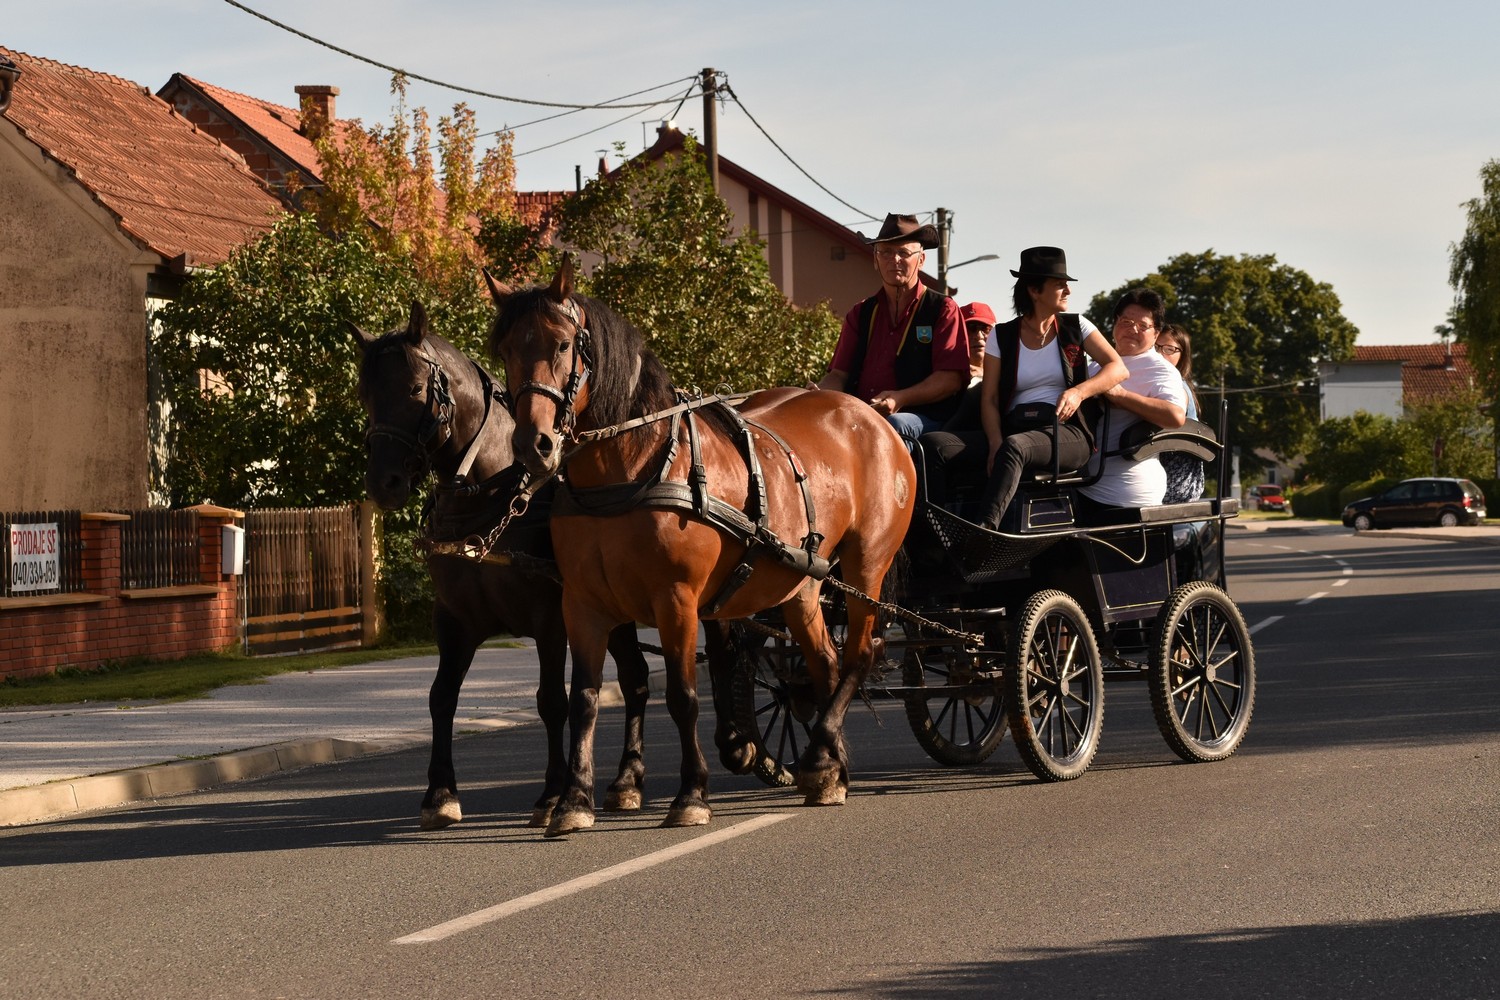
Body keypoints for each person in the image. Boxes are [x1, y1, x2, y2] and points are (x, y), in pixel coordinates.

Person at [971, 247, 1126, 530]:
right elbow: (990, 398)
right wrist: (994, 442)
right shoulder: (1002, 335)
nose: (1068, 290)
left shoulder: (1076, 326)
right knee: (934, 446)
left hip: (1068, 432)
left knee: (1014, 448)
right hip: (1014, 427)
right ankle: (930, 540)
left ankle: (984, 531)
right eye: (1059, 284)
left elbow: (1118, 368)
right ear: (1034, 290)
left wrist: (1079, 392)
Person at [814, 213, 970, 451]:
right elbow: (838, 375)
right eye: (885, 252)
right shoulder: (861, 312)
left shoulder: (942, 309)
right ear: (875, 260)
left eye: (903, 253)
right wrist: (817, 394)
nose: (894, 259)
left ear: (921, 260)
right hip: (862, 415)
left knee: (894, 424)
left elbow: (950, 380)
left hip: (925, 418)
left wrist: (901, 398)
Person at [1074, 287, 1187, 521]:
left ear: (1156, 334)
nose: (1132, 329)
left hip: (1126, 497)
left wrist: (1121, 396)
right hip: (1083, 488)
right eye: (1126, 321)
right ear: (1115, 324)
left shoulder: (1159, 369)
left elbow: (1175, 416)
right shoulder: (1095, 366)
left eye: (1143, 326)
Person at [1157, 322, 1206, 504]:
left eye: (1169, 349)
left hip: (1179, 480)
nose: (1160, 354)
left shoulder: (1175, 386)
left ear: (1182, 355)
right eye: (1156, 347)